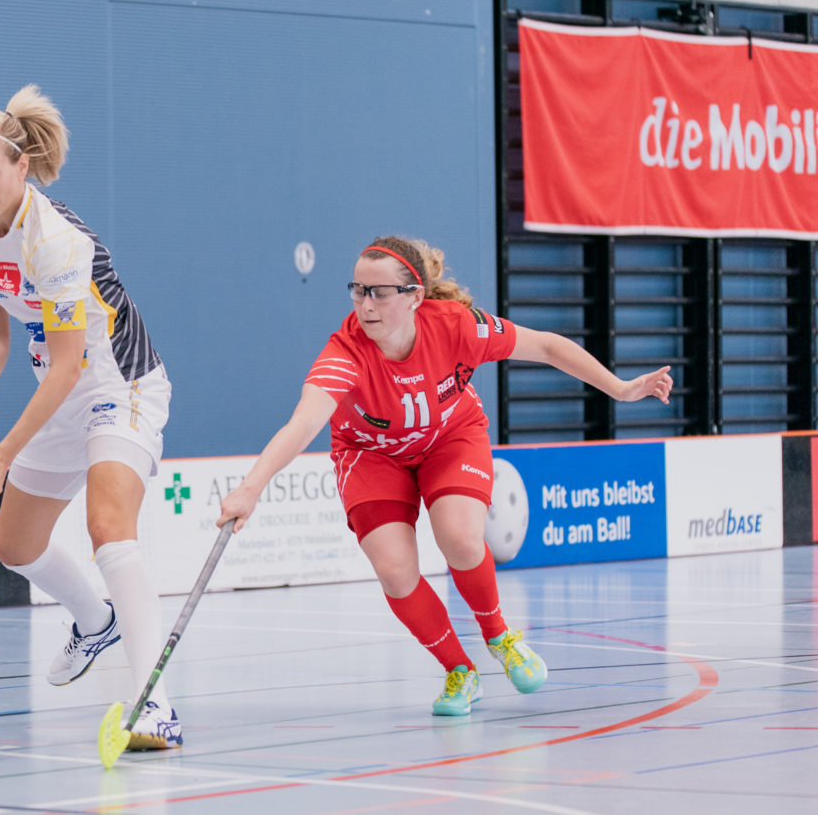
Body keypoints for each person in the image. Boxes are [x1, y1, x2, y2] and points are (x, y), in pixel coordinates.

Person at [217, 236, 673, 716]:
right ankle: (460, 670)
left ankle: (499, 636)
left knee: (459, 537)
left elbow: (546, 346)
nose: (365, 305)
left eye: (379, 293)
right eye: (358, 290)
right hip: (371, 454)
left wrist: (621, 389)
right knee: (395, 571)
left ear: (415, 296)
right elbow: (302, 424)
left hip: (449, 436)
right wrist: (250, 489)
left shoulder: (457, 326)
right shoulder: (344, 353)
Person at [0, 85, 180, 749]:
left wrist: (2, 455)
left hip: (119, 384)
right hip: (57, 392)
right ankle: (93, 620)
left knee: (108, 527)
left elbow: (68, 365)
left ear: (22, 167)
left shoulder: (55, 241)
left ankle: (155, 705)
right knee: (14, 546)